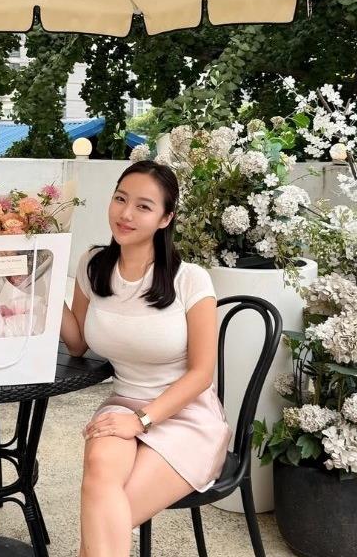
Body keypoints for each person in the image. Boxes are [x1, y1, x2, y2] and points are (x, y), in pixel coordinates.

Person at [60, 160, 232, 557]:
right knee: (100, 476)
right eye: (120, 199)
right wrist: (42, 285)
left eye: (143, 206)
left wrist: (140, 421)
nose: (126, 214)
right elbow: (77, 344)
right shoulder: (93, 265)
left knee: (101, 531)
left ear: (165, 218)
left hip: (186, 417)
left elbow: (201, 374)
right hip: (122, 405)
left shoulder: (190, 280)